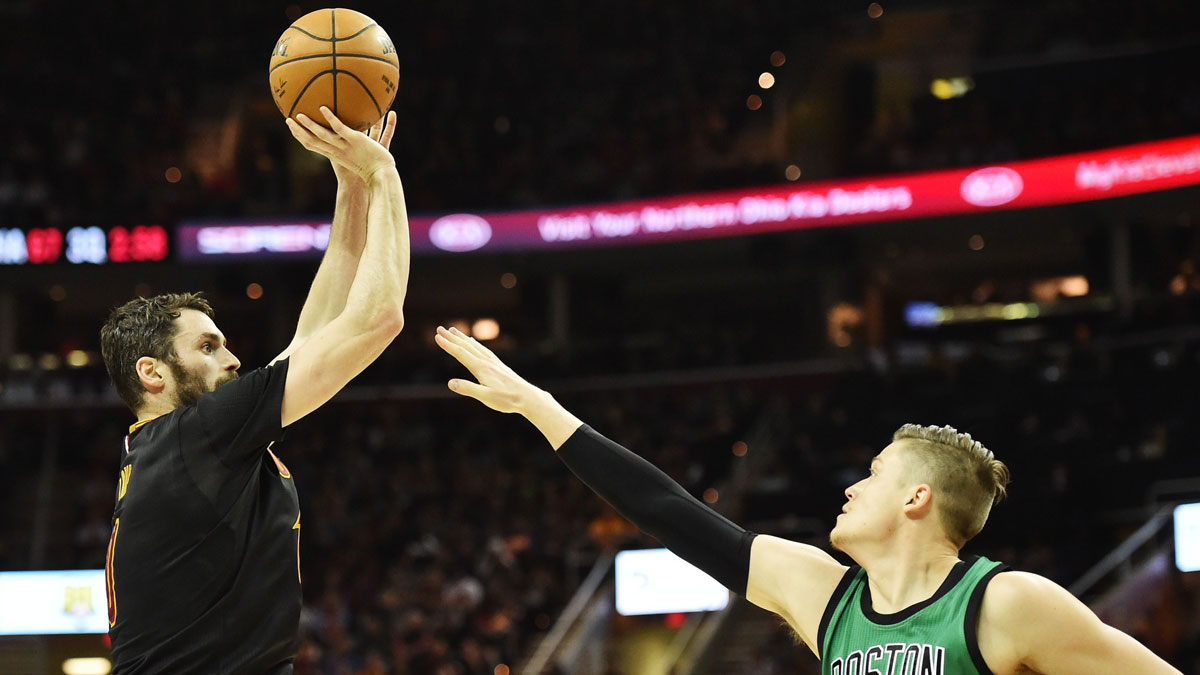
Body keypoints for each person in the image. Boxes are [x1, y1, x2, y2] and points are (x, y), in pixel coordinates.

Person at [434, 326, 1182, 674]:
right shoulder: (824, 593)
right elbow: (669, 510)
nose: (851, 486)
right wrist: (541, 408)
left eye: (876, 472)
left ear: (918, 496)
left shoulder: (1005, 603)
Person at [99, 107, 410, 674]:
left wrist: (351, 188)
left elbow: (314, 335)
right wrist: (383, 174)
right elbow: (378, 319)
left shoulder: (175, 450)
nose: (236, 357)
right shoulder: (197, 437)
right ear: (153, 373)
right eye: (209, 347)